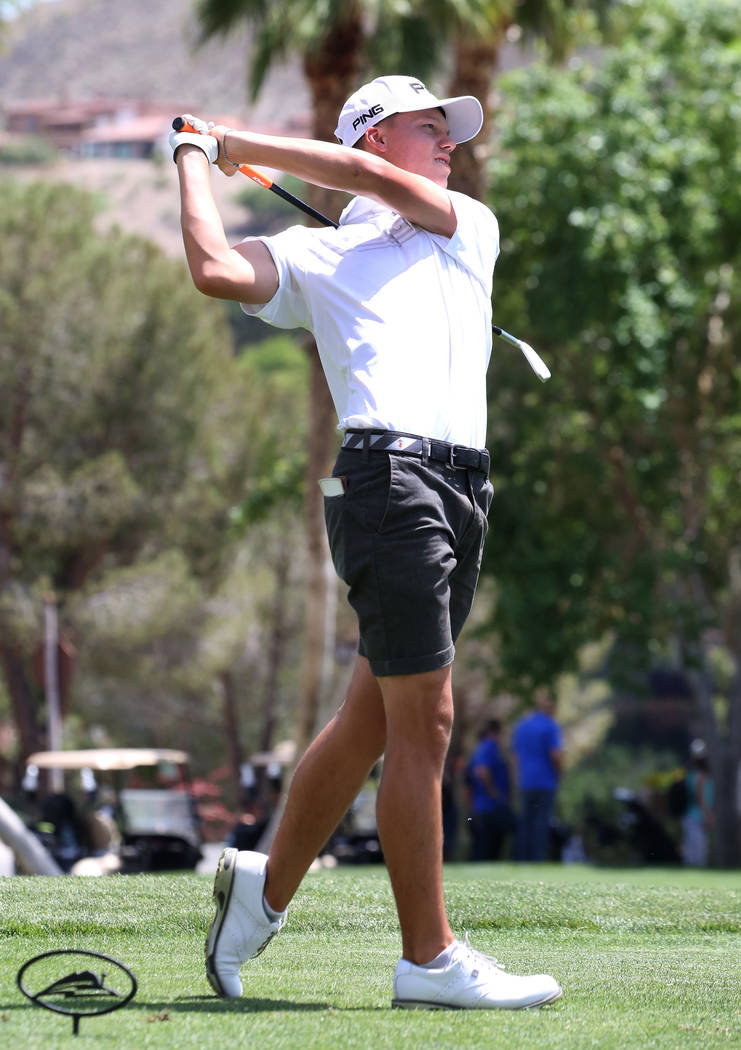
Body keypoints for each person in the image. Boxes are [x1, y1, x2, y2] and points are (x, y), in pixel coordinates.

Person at [170, 74, 561, 1010]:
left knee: (371, 723)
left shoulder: (462, 221)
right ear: (380, 136)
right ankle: (427, 959)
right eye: (432, 130)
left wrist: (235, 141)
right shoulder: (312, 254)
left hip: (463, 486)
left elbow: (360, 178)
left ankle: (259, 896)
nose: (451, 145)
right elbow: (217, 270)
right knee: (425, 717)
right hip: (389, 481)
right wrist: (193, 158)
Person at [511, 690, 563, 861]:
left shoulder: (521, 726)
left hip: (526, 781)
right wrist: (560, 773)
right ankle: (537, 858)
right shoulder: (551, 726)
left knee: (525, 821)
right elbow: (555, 755)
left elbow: (515, 756)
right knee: (541, 822)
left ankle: (521, 858)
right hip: (545, 781)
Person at [466, 719, 514, 861]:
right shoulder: (488, 746)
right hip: (490, 806)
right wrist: (494, 792)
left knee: (487, 846)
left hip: (483, 805)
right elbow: (482, 771)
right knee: (488, 847)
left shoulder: (480, 749)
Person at [680, 739, 714, 868]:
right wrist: (708, 815)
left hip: (690, 815)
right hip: (697, 815)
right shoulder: (701, 776)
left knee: (692, 849)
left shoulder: (690, 774)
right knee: (698, 852)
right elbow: (700, 798)